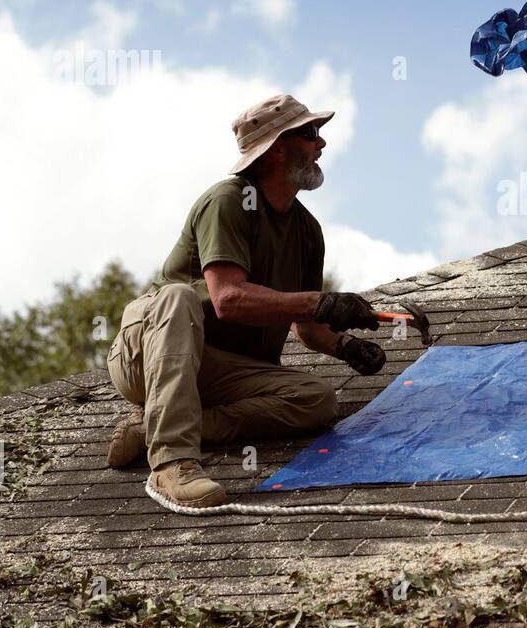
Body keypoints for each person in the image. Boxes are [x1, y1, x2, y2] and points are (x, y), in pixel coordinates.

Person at [105, 94, 385, 506]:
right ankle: (171, 463)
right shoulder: (227, 201)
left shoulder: (307, 231)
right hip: (150, 354)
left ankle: (154, 427)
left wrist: (346, 346)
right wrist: (321, 302)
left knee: (317, 401)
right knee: (178, 297)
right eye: (310, 134)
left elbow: (307, 330)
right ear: (276, 150)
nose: (321, 144)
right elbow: (228, 300)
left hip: (223, 374)